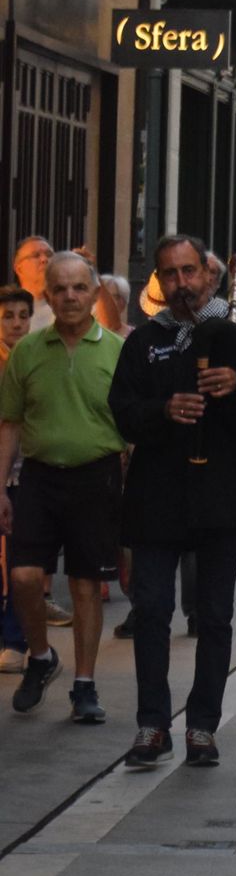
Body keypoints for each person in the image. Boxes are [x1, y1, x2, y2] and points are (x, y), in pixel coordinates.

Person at [110, 235, 236, 767]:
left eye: (189, 271)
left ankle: (203, 725)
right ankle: (152, 725)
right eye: (170, 274)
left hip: (223, 496)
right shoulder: (146, 340)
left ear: (209, 273)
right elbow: (122, 409)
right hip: (158, 498)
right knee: (151, 610)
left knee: (214, 616)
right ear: (158, 282)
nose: (182, 283)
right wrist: (163, 410)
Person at [0, 253, 124, 721]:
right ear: (47, 297)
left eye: (78, 287)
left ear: (93, 294)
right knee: (23, 578)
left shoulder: (117, 351)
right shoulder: (28, 351)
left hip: (97, 476)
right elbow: (10, 423)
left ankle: (85, 686)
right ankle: (41, 656)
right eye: (60, 288)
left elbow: (132, 424)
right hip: (38, 477)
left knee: (86, 584)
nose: (69, 296)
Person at [0, 286, 34, 675]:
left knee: (20, 562)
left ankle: (15, 638)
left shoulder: (34, 358)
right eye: (7, 316)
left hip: (25, 471)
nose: (16, 323)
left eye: (23, 316)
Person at [13, 236, 54, 333]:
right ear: (19, 269)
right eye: (36, 255)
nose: (44, 259)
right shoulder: (6, 309)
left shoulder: (69, 308)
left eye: (49, 255)